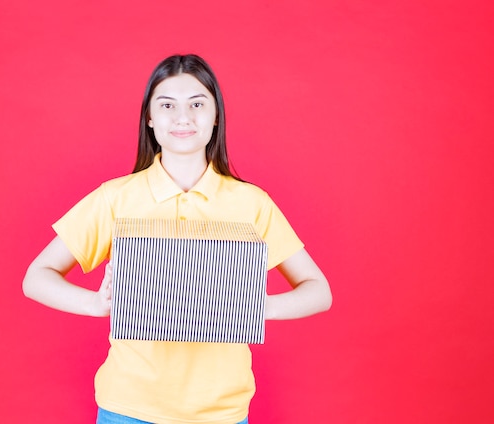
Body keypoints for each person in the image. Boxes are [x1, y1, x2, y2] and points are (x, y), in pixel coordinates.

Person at [23, 54, 332, 424]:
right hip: (128, 408)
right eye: (167, 105)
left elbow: (319, 291)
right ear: (150, 119)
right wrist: (97, 303)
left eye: (197, 104)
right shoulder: (115, 197)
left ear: (215, 115)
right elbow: (36, 277)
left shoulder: (251, 203)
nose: (183, 117)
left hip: (222, 412)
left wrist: (259, 307)